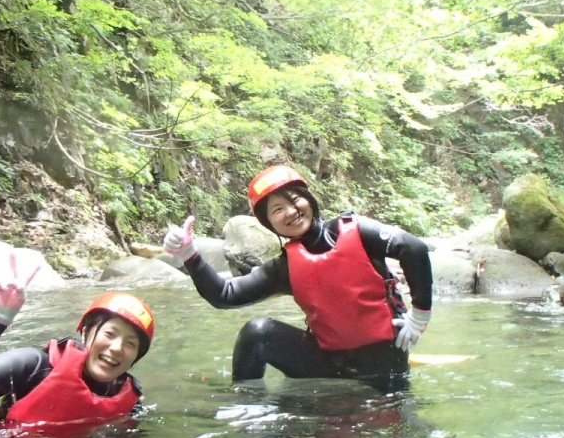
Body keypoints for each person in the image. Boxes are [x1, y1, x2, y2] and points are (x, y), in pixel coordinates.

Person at [163, 165, 433, 395]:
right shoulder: (285, 267)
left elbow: (413, 248)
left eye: (294, 200)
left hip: (383, 366)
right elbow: (225, 295)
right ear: (269, 223)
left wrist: (419, 316)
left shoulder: (355, 230)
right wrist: (189, 254)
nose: (290, 211)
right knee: (257, 333)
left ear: (309, 199)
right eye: (277, 209)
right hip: (327, 365)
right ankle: (248, 406)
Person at [0, 252, 155, 428]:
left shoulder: (130, 400)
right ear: (86, 332)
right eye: (109, 334)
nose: (117, 348)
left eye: (131, 344)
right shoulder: (36, 366)